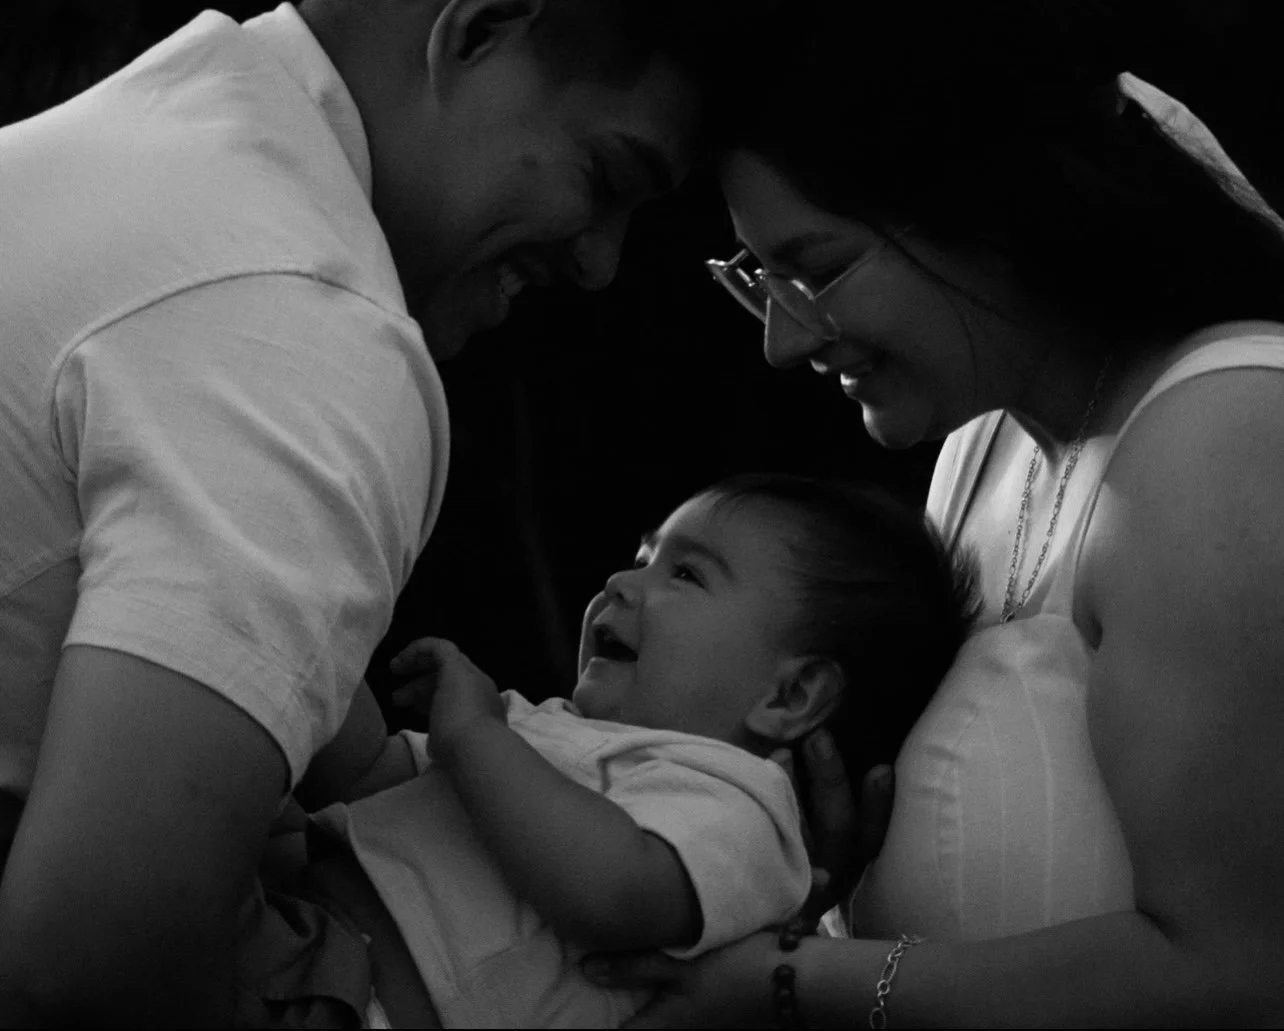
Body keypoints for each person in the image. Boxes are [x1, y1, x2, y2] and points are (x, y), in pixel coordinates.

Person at [0, 0, 719, 1022]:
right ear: (478, 29)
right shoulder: (311, 326)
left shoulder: (155, 131)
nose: (601, 263)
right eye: (604, 176)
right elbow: (94, 958)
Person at [582, 1, 1284, 1025]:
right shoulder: (979, 453)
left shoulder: (1220, 440)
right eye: (758, 278)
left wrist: (792, 973)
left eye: (816, 270)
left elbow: (1242, 969)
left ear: (990, 208)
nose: (782, 341)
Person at [240, 472, 978, 1027]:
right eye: (643, 556)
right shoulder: (547, 731)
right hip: (302, 936)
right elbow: (373, 776)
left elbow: (615, 892)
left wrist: (475, 739)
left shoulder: (739, 806)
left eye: (685, 573)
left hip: (352, 997)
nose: (622, 580)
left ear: (788, 697)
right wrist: (309, 631)